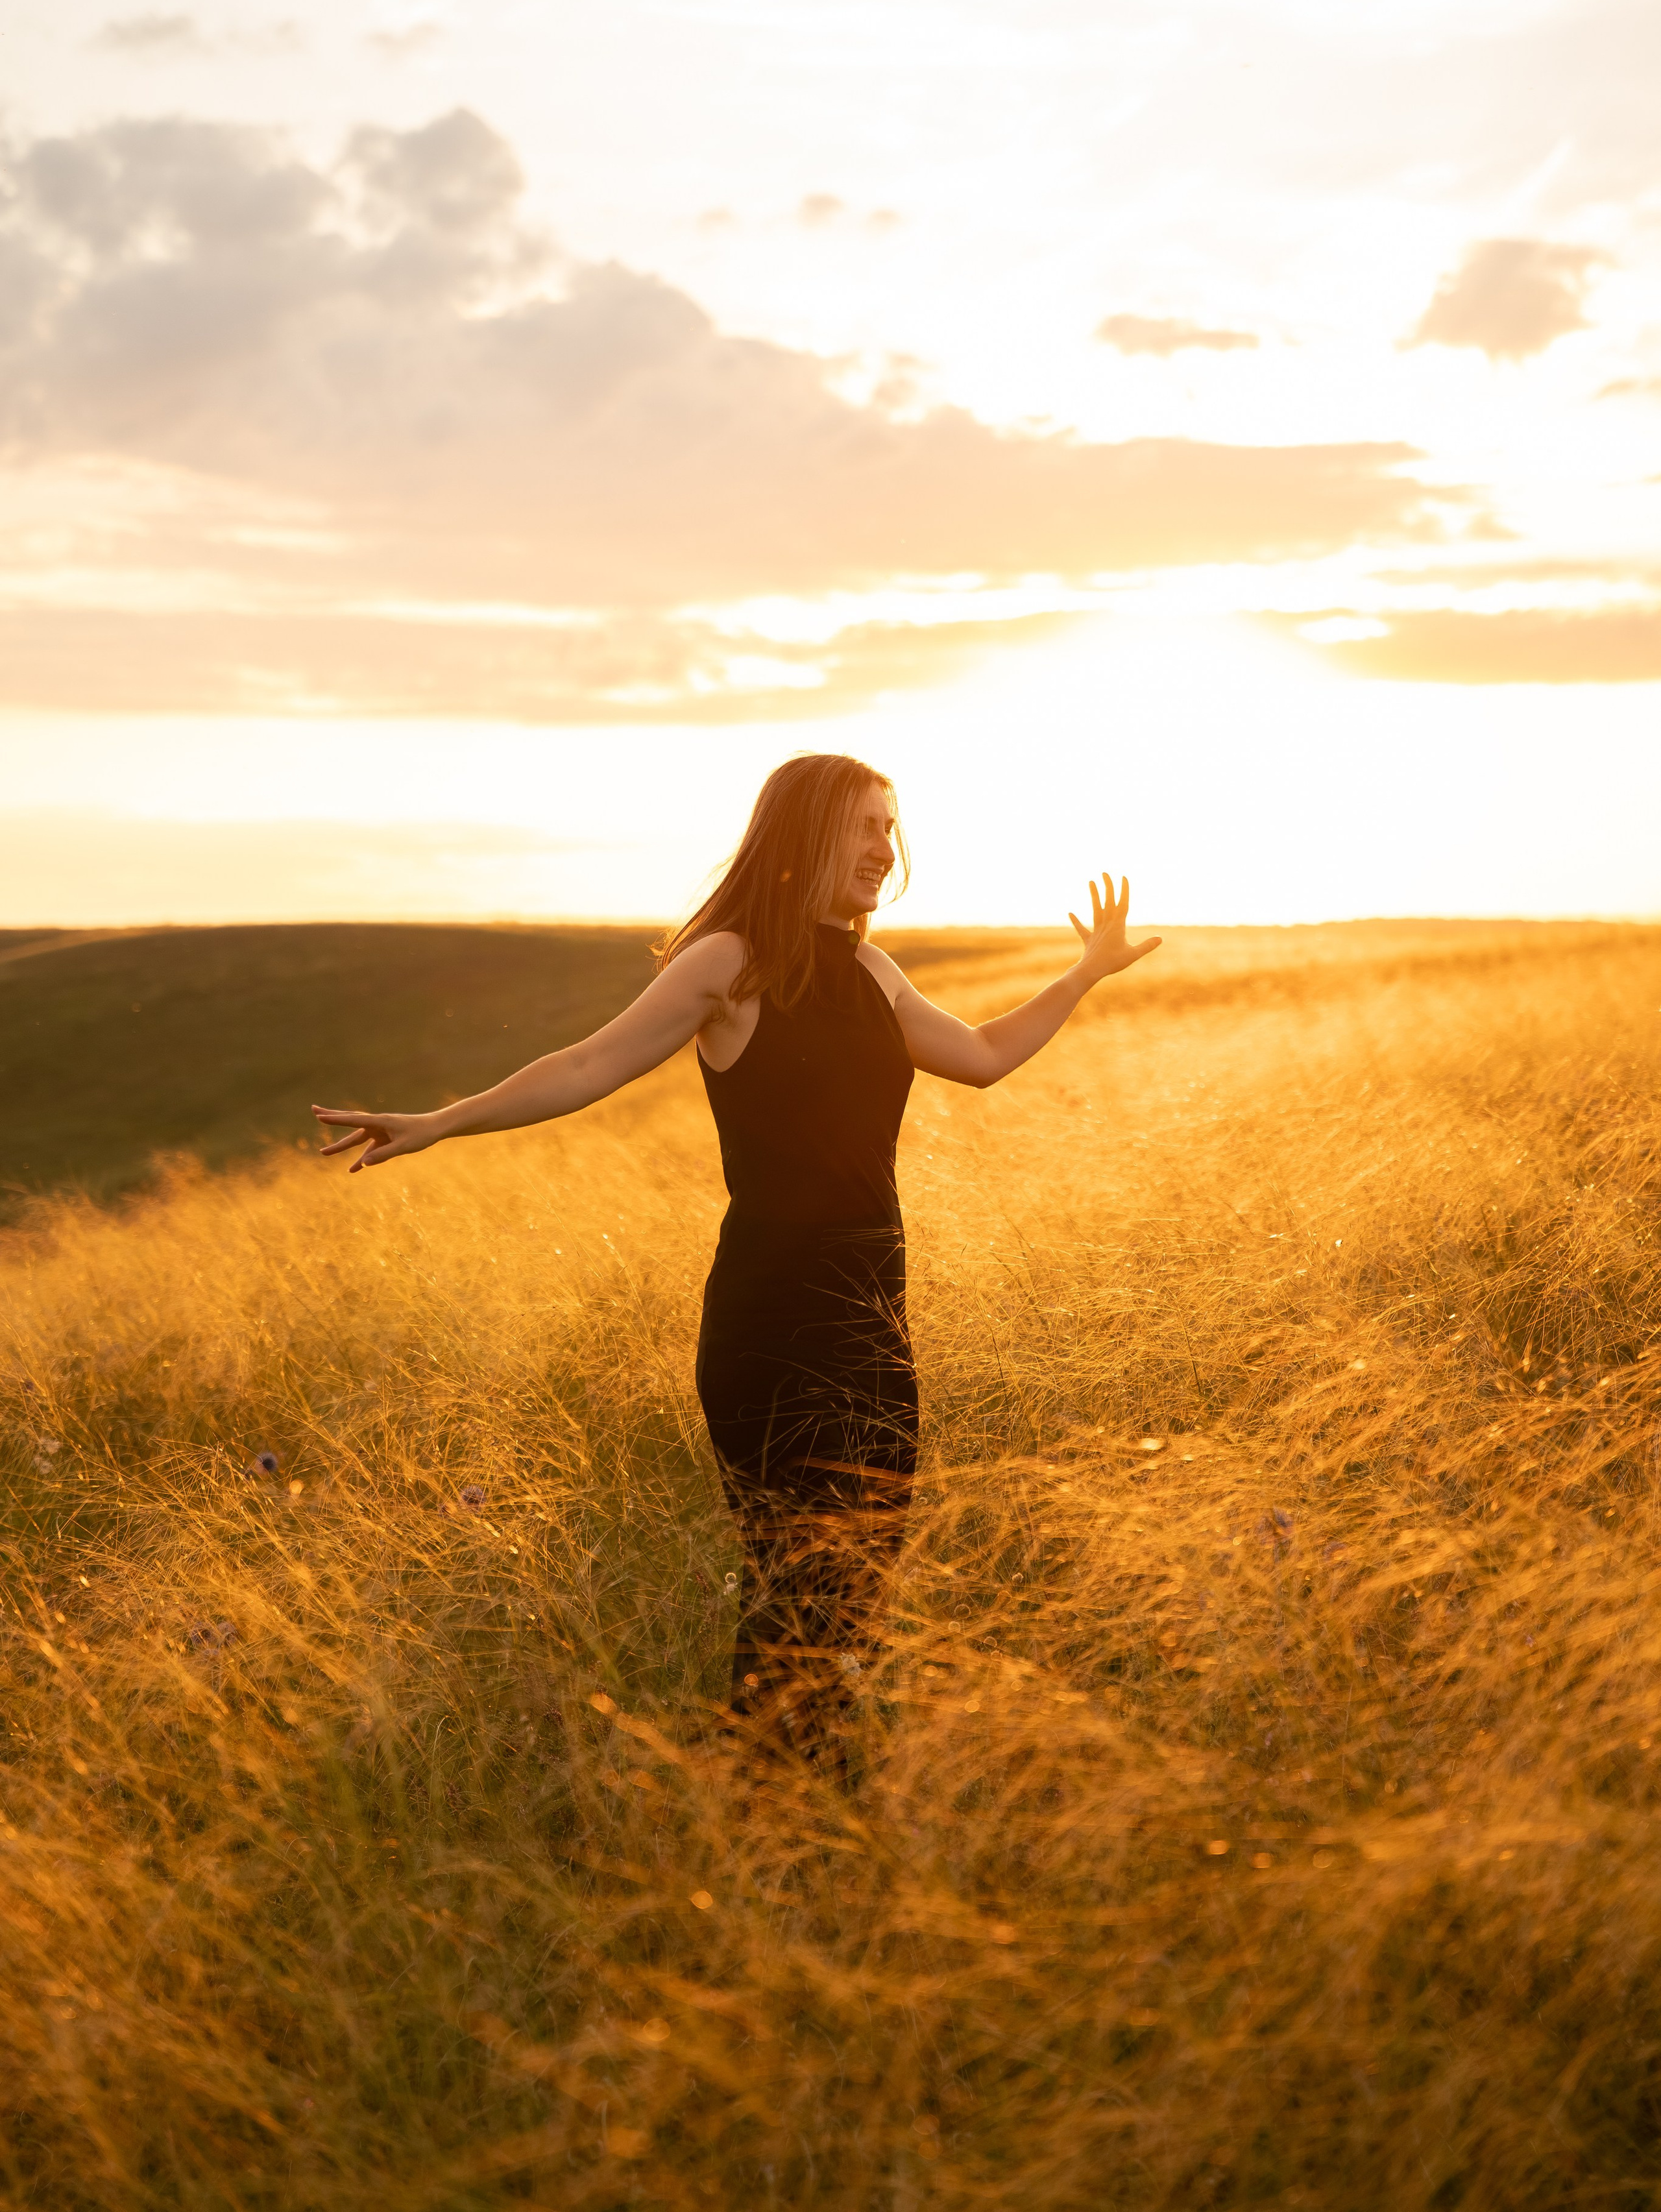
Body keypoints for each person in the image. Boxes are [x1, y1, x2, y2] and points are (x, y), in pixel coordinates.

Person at [312, 752, 1160, 1762]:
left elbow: (979, 1058)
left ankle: (793, 1819)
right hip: (774, 1319)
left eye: (891, 829)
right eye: (862, 828)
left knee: (856, 1595)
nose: (883, 850)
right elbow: (588, 1063)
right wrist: (443, 1121)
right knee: (802, 1589)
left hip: (874, 1319)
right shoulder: (729, 963)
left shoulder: (870, 971)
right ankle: (762, 1811)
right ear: (804, 835)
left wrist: (1083, 974)